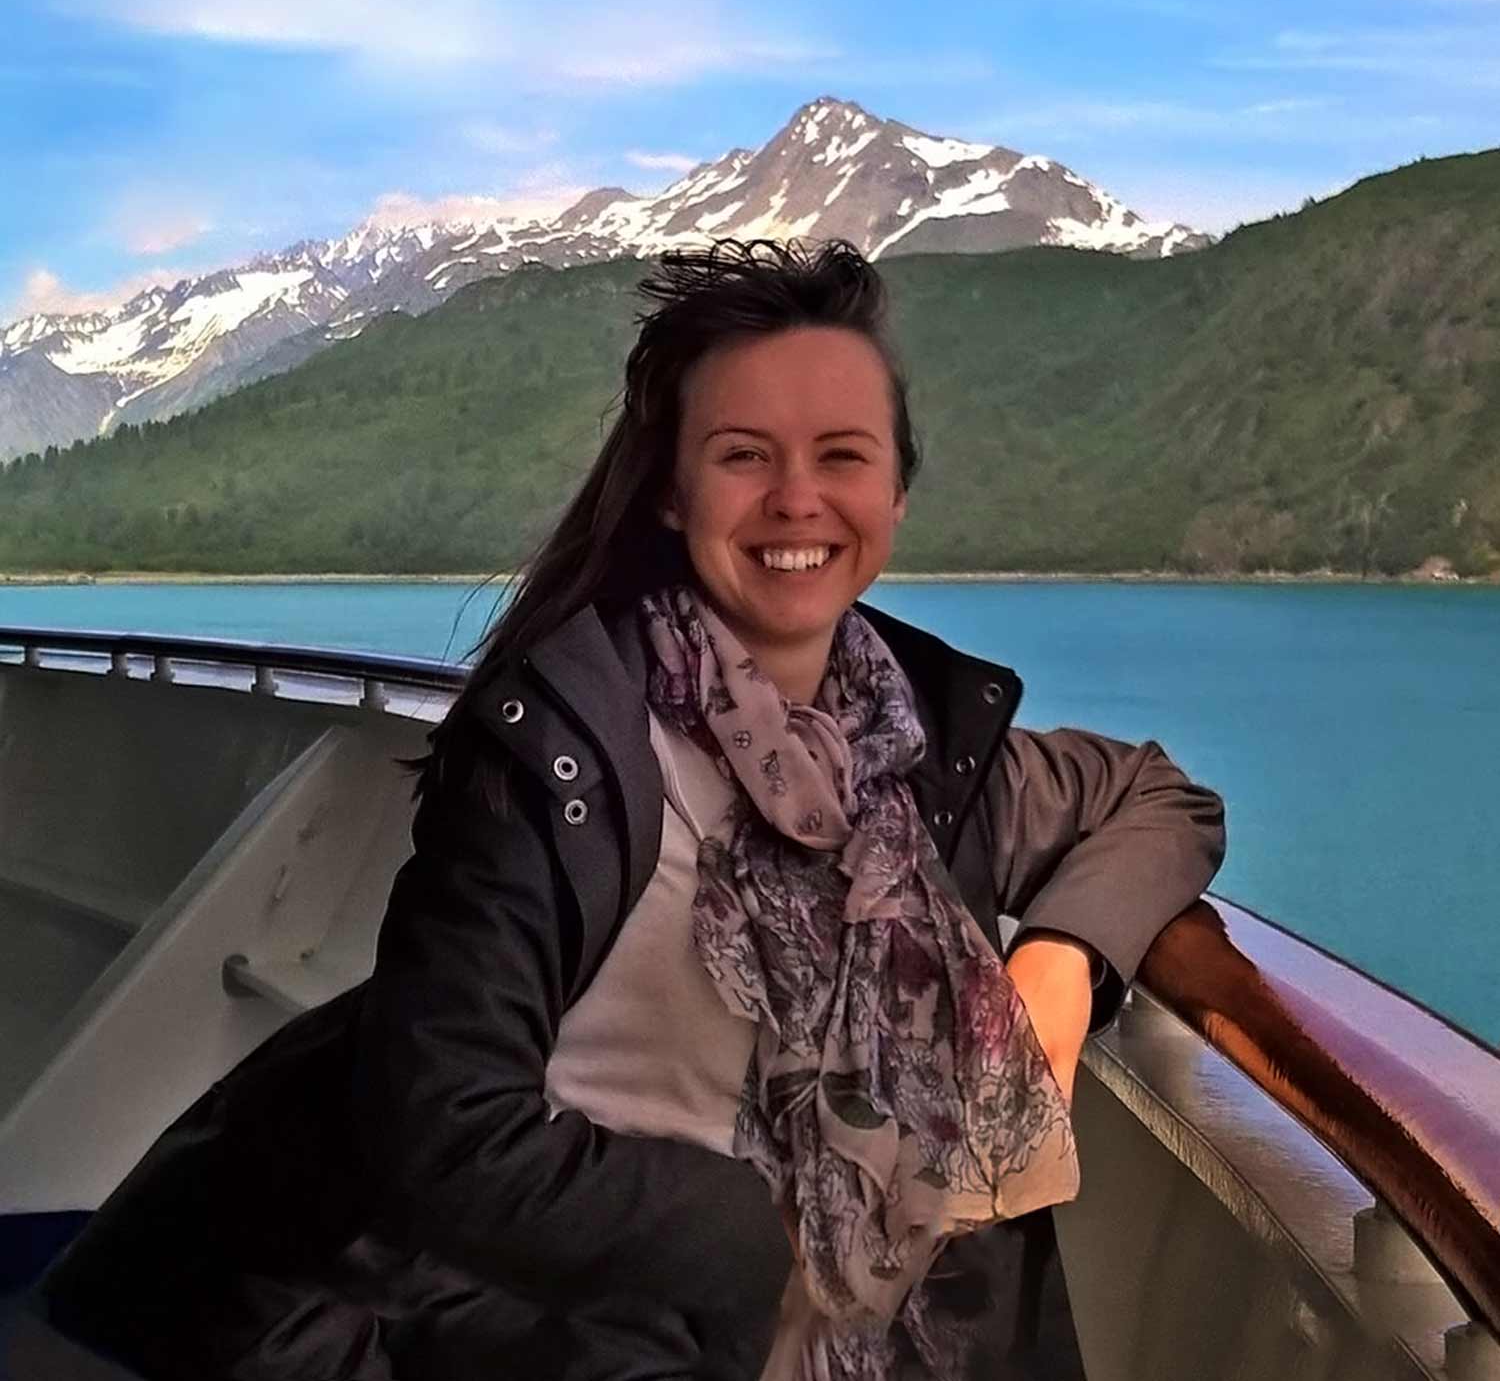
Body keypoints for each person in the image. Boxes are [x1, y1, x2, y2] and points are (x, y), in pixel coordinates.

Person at [36, 237, 1225, 1381]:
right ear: (671, 490)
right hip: (406, 1327)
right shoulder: (563, 757)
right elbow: (448, 1138)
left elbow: (1157, 797)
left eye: (844, 455)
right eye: (745, 454)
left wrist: (1059, 972)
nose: (797, 500)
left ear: (897, 490)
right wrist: (786, 1232)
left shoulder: (912, 750)